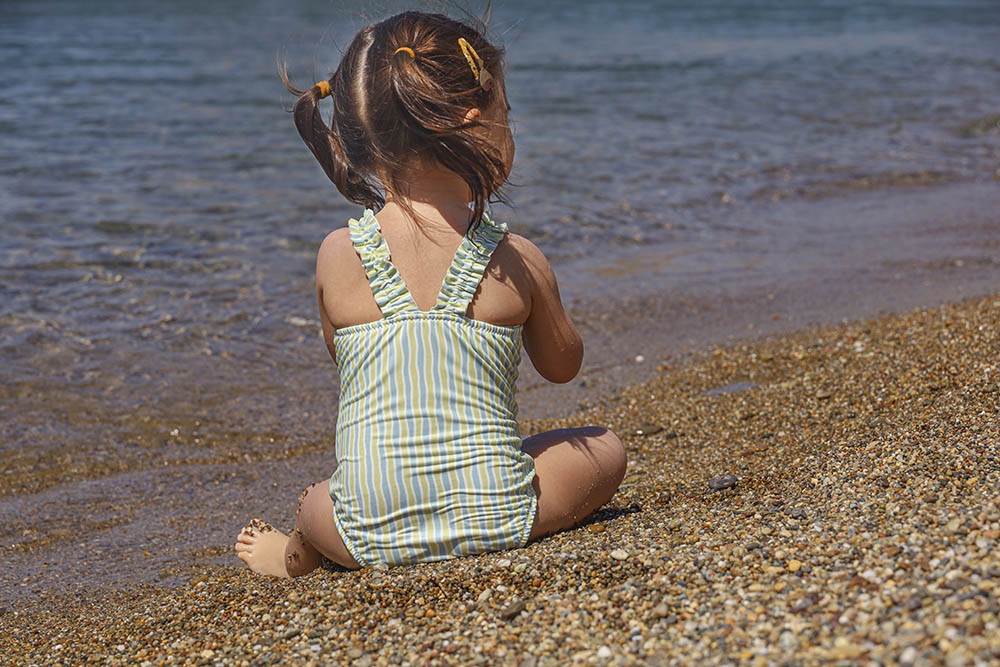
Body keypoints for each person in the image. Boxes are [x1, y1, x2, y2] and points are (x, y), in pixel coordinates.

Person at [235, 10, 625, 577]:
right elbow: (563, 365)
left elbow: (344, 363)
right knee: (602, 445)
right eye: (507, 116)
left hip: (367, 533)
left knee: (318, 499)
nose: (511, 129)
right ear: (473, 123)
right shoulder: (517, 259)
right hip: (499, 514)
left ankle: (294, 554)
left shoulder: (336, 254)